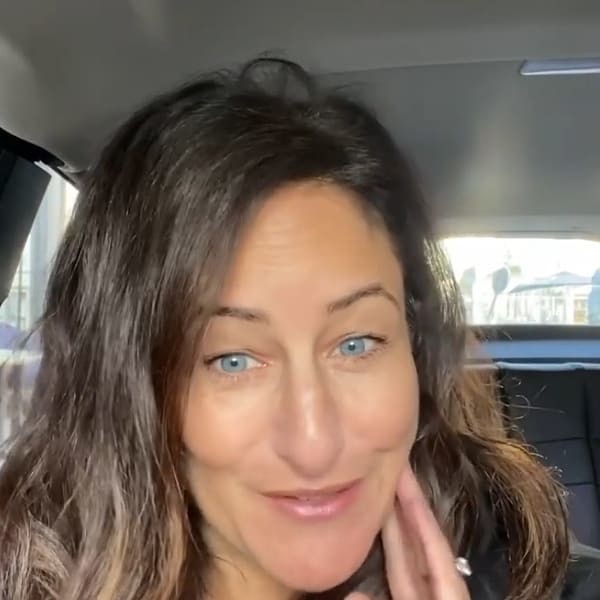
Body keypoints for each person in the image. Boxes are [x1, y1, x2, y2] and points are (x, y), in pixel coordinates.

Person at [0, 58, 598, 600]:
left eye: (357, 344)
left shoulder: (537, 578)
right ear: (131, 384)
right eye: (232, 360)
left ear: (414, 352)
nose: (314, 445)